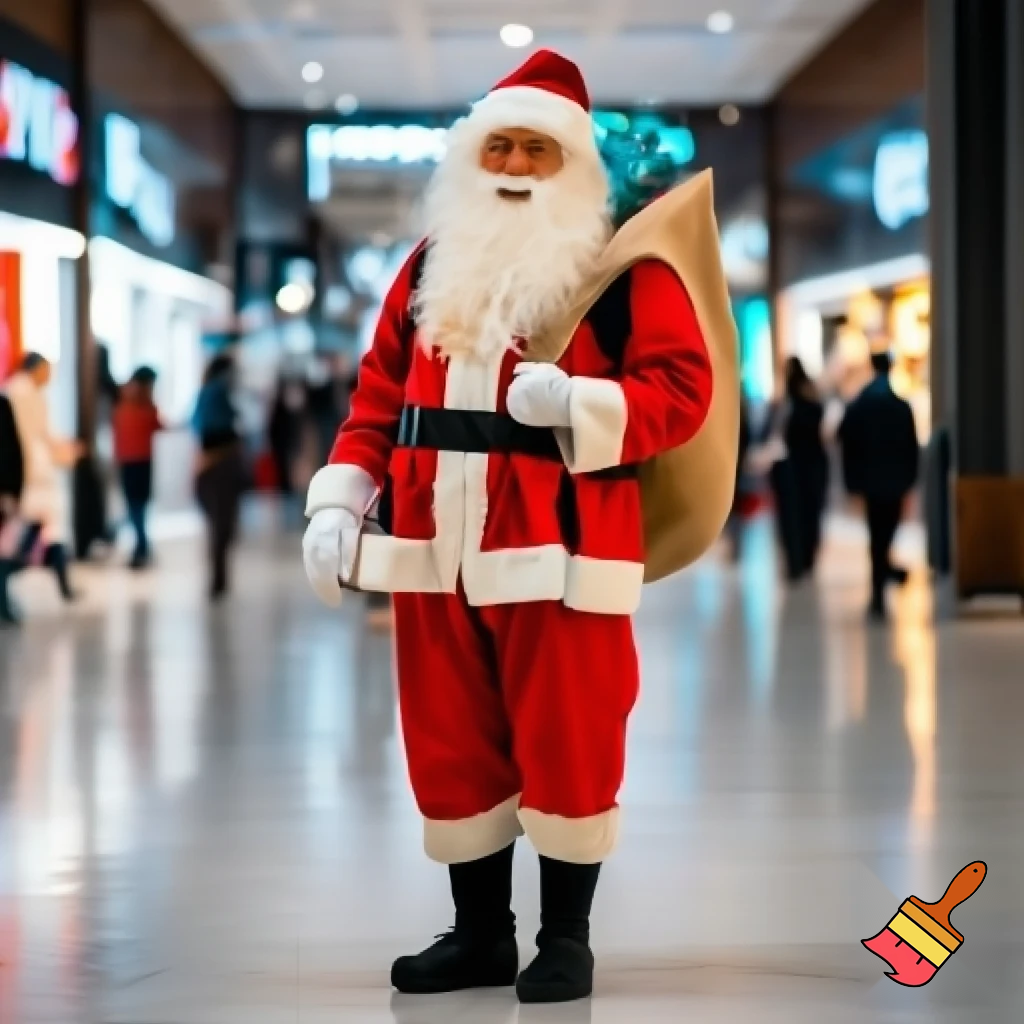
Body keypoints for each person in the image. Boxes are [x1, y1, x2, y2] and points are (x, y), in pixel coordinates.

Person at [302, 50, 736, 1004]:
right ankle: (478, 935)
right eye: (497, 143)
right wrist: (340, 497)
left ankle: (566, 938)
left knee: (569, 740)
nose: (512, 163)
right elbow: (379, 396)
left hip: (564, 553)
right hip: (432, 554)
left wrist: (584, 401)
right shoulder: (425, 270)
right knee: (451, 742)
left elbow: (683, 390)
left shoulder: (621, 271)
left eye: (535, 148)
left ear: (572, 166)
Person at [838, 349, 919, 618]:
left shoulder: (860, 406)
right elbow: (911, 448)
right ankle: (887, 577)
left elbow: (845, 440)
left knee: (877, 537)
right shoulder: (900, 407)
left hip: (871, 482)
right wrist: (910, 479)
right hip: (894, 482)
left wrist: (852, 481)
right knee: (886, 534)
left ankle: (880, 588)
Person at [3, 353, 83, 614]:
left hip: (25, 474)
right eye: (47, 371)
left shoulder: (15, 392)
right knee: (33, 532)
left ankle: (62, 584)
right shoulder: (24, 395)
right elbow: (40, 435)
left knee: (42, 529)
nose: (49, 377)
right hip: (30, 474)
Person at [192, 353, 244, 601]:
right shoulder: (217, 392)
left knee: (219, 526)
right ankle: (217, 580)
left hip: (213, 464)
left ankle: (219, 580)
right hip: (220, 465)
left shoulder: (208, 392)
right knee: (221, 526)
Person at [782, 357, 829, 578]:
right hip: (811, 466)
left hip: (798, 468)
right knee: (810, 515)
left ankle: (800, 561)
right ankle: (805, 560)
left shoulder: (792, 405)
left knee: (799, 516)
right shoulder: (812, 402)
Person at [112, 366, 163, 569]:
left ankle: (141, 546)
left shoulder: (123, 398)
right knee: (138, 506)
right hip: (140, 459)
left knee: (135, 505)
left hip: (129, 459)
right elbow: (156, 424)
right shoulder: (143, 401)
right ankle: (141, 546)